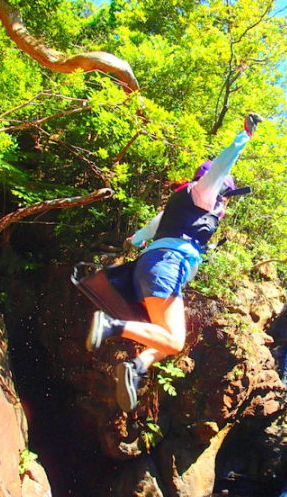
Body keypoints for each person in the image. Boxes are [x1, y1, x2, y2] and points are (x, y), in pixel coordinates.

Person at [86, 113, 263, 412]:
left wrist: (134, 239)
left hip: (155, 265)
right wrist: (245, 135)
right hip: (166, 265)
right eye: (227, 195)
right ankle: (111, 326)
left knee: (171, 339)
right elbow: (223, 164)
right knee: (173, 340)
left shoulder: (178, 204)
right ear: (218, 188)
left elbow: (143, 234)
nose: (226, 202)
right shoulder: (204, 193)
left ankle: (136, 367)